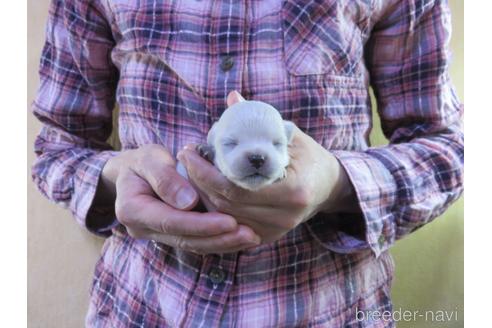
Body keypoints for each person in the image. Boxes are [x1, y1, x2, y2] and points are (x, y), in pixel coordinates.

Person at [31, 0, 463, 326]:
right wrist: (116, 177)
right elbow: (57, 146)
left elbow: (449, 151)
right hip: (142, 307)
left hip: (330, 308)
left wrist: (338, 183)